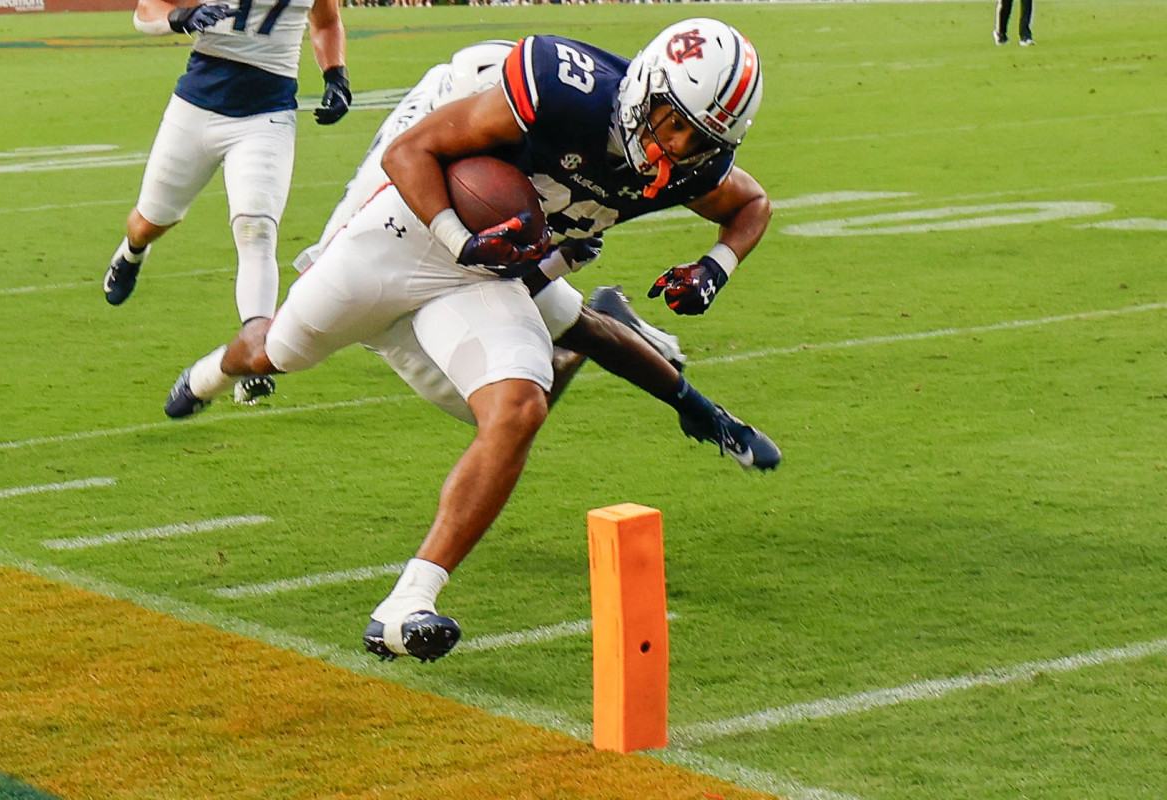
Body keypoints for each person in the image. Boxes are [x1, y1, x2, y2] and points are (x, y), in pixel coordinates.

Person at [164, 20, 776, 663]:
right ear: (644, 89)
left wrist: (715, 267)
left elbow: (751, 203)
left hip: (491, 259)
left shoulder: (691, 167)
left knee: (518, 404)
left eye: (698, 138)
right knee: (275, 350)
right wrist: (466, 241)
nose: (676, 148)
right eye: (671, 121)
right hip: (415, 215)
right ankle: (211, 372)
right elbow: (411, 153)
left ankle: (408, 602)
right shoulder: (564, 90)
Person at [105, 0, 351, 404]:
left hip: (267, 113)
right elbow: (147, 9)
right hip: (196, 107)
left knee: (257, 231)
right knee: (149, 222)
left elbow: (326, 21)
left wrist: (336, 75)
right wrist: (179, 18)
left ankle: (254, 344)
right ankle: (132, 252)